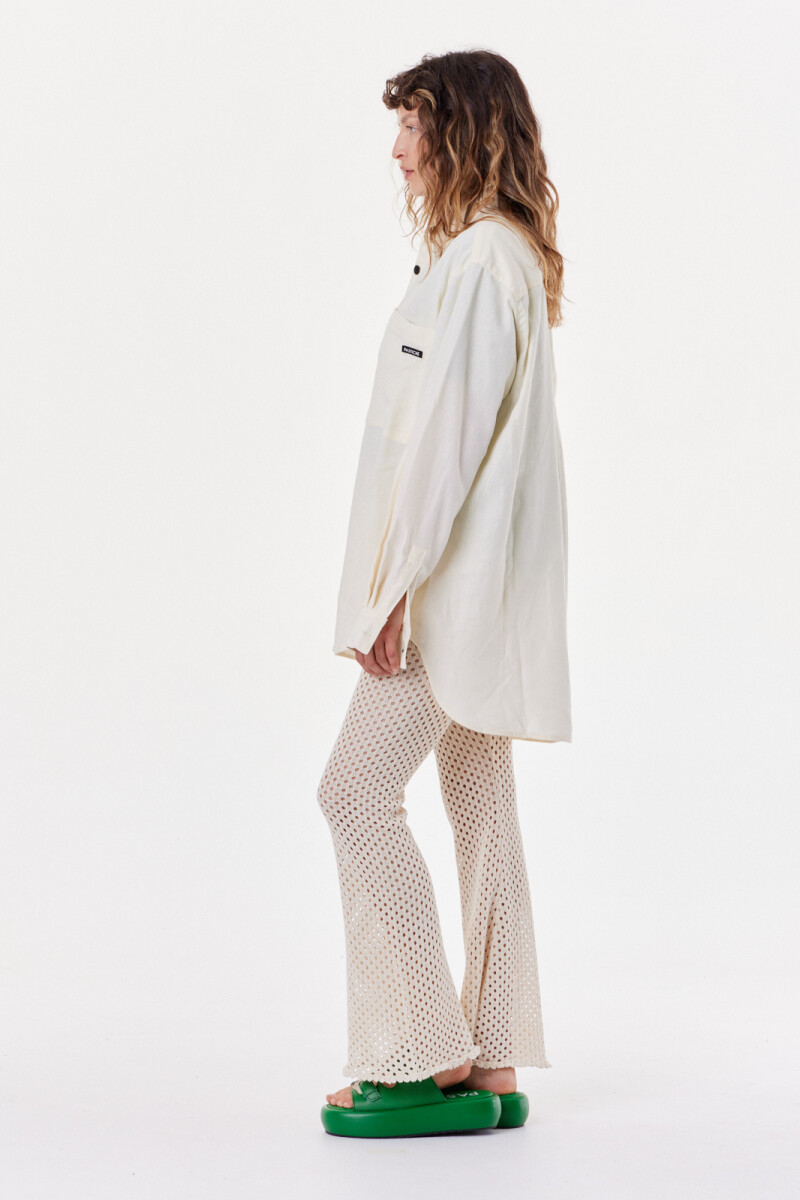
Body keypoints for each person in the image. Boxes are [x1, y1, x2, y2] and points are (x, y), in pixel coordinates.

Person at [318, 49, 572, 1138]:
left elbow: (441, 453)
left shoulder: (477, 265)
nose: (397, 152)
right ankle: (495, 1055)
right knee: (481, 810)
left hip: (446, 597)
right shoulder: (501, 257)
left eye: (412, 128)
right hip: (480, 596)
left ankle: (423, 1051)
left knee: (352, 795)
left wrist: (390, 591)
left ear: (460, 130)